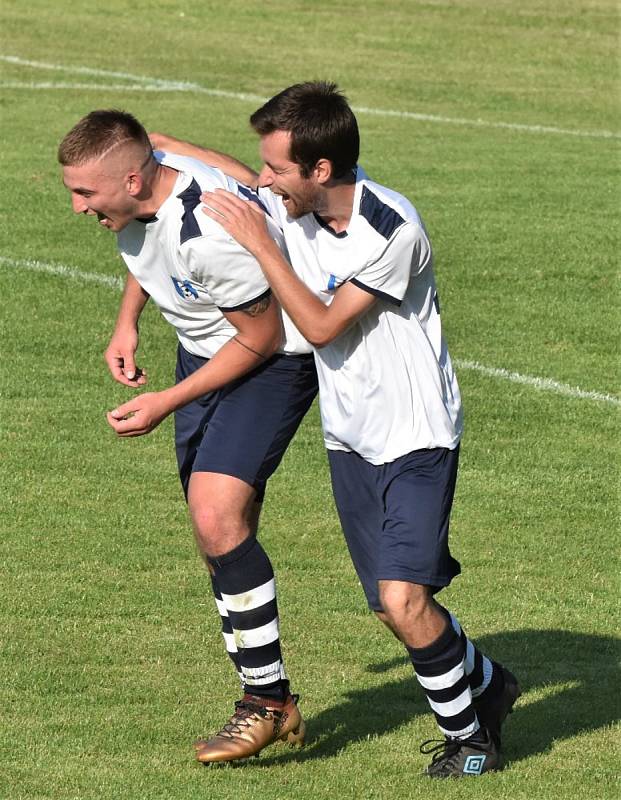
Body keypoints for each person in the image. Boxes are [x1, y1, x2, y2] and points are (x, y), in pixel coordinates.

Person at [150, 81, 520, 778]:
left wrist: (262, 247)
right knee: (394, 611)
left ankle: (471, 743)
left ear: (321, 170)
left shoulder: (391, 229)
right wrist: (157, 146)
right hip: (350, 436)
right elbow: (230, 174)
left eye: (277, 170)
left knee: (401, 599)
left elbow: (319, 326)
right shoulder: (293, 203)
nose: (264, 182)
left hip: (415, 436)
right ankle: (491, 683)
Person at [58, 110, 319, 764]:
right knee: (217, 537)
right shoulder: (147, 192)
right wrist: (127, 322)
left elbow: (260, 337)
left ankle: (266, 703)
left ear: (132, 177)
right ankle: (265, 695)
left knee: (216, 518)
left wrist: (165, 404)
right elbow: (150, 237)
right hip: (203, 351)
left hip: (267, 361)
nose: (75, 207)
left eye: (86, 194)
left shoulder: (209, 232)